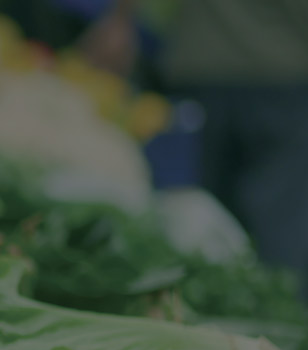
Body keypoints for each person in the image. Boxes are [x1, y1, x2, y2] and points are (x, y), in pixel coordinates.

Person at [83, 0, 308, 290]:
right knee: (274, 230)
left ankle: (216, 320)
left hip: (205, 65)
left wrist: (120, 19)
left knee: (201, 225)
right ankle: (276, 324)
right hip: (283, 70)